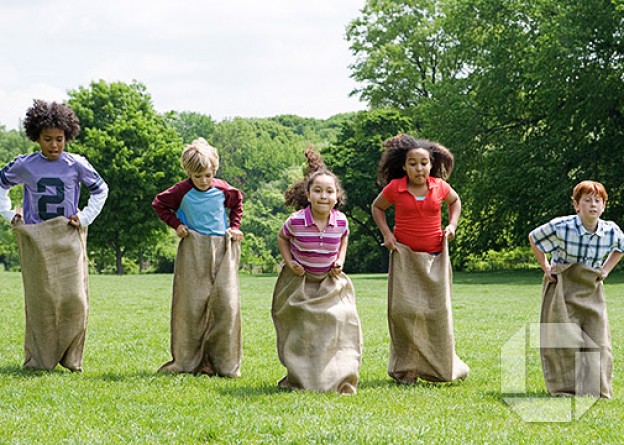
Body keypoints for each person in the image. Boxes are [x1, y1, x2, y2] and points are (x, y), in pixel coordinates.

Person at [0, 99, 109, 371]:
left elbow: (101, 189)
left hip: (67, 234)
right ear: (36, 137)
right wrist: (8, 214)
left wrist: (84, 217)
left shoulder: (77, 164)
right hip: (37, 236)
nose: (54, 145)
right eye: (47, 139)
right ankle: (40, 359)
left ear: (67, 136)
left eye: (59, 139)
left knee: (75, 300)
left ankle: (71, 358)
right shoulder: (25, 164)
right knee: (41, 301)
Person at [371, 133, 469, 383]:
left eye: (424, 163)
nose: (419, 168)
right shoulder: (395, 188)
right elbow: (377, 207)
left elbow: (455, 201)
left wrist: (452, 226)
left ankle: (440, 368)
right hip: (404, 257)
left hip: (436, 257)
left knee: (437, 312)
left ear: (431, 165)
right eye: (413, 163)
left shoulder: (440, 186)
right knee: (402, 310)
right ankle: (406, 369)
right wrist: (387, 234)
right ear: (404, 166)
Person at [271, 148, 362, 394]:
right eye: (318, 191)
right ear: (308, 195)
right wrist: (290, 262)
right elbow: (282, 237)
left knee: (339, 321)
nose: (324, 196)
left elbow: (344, 238)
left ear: (337, 197)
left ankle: (336, 374)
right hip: (302, 282)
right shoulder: (296, 221)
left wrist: (340, 260)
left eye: (329, 191)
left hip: (330, 282)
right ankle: (301, 376)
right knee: (303, 329)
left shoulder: (341, 220)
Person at [152, 137, 244, 376]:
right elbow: (159, 204)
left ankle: (223, 362)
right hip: (194, 248)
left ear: (214, 170)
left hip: (222, 247)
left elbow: (237, 204)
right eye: (197, 176)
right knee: (191, 306)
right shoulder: (182, 190)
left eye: (208, 175)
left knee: (226, 304)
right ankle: (187, 360)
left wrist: (234, 227)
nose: (203, 181)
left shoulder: (223, 189)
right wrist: (177, 225)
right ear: (188, 173)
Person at [529, 180, 623, 398]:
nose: (593, 205)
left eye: (597, 201)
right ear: (576, 205)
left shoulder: (611, 230)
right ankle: (565, 388)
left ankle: (595, 389)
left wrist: (606, 269)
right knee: (563, 339)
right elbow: (534, 238)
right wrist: (546, 267)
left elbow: (621, 247)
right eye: (587, 200)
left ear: (604, 205)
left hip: (591, 287)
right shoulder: (562, 226)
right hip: (563, 284)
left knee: (597, 338)